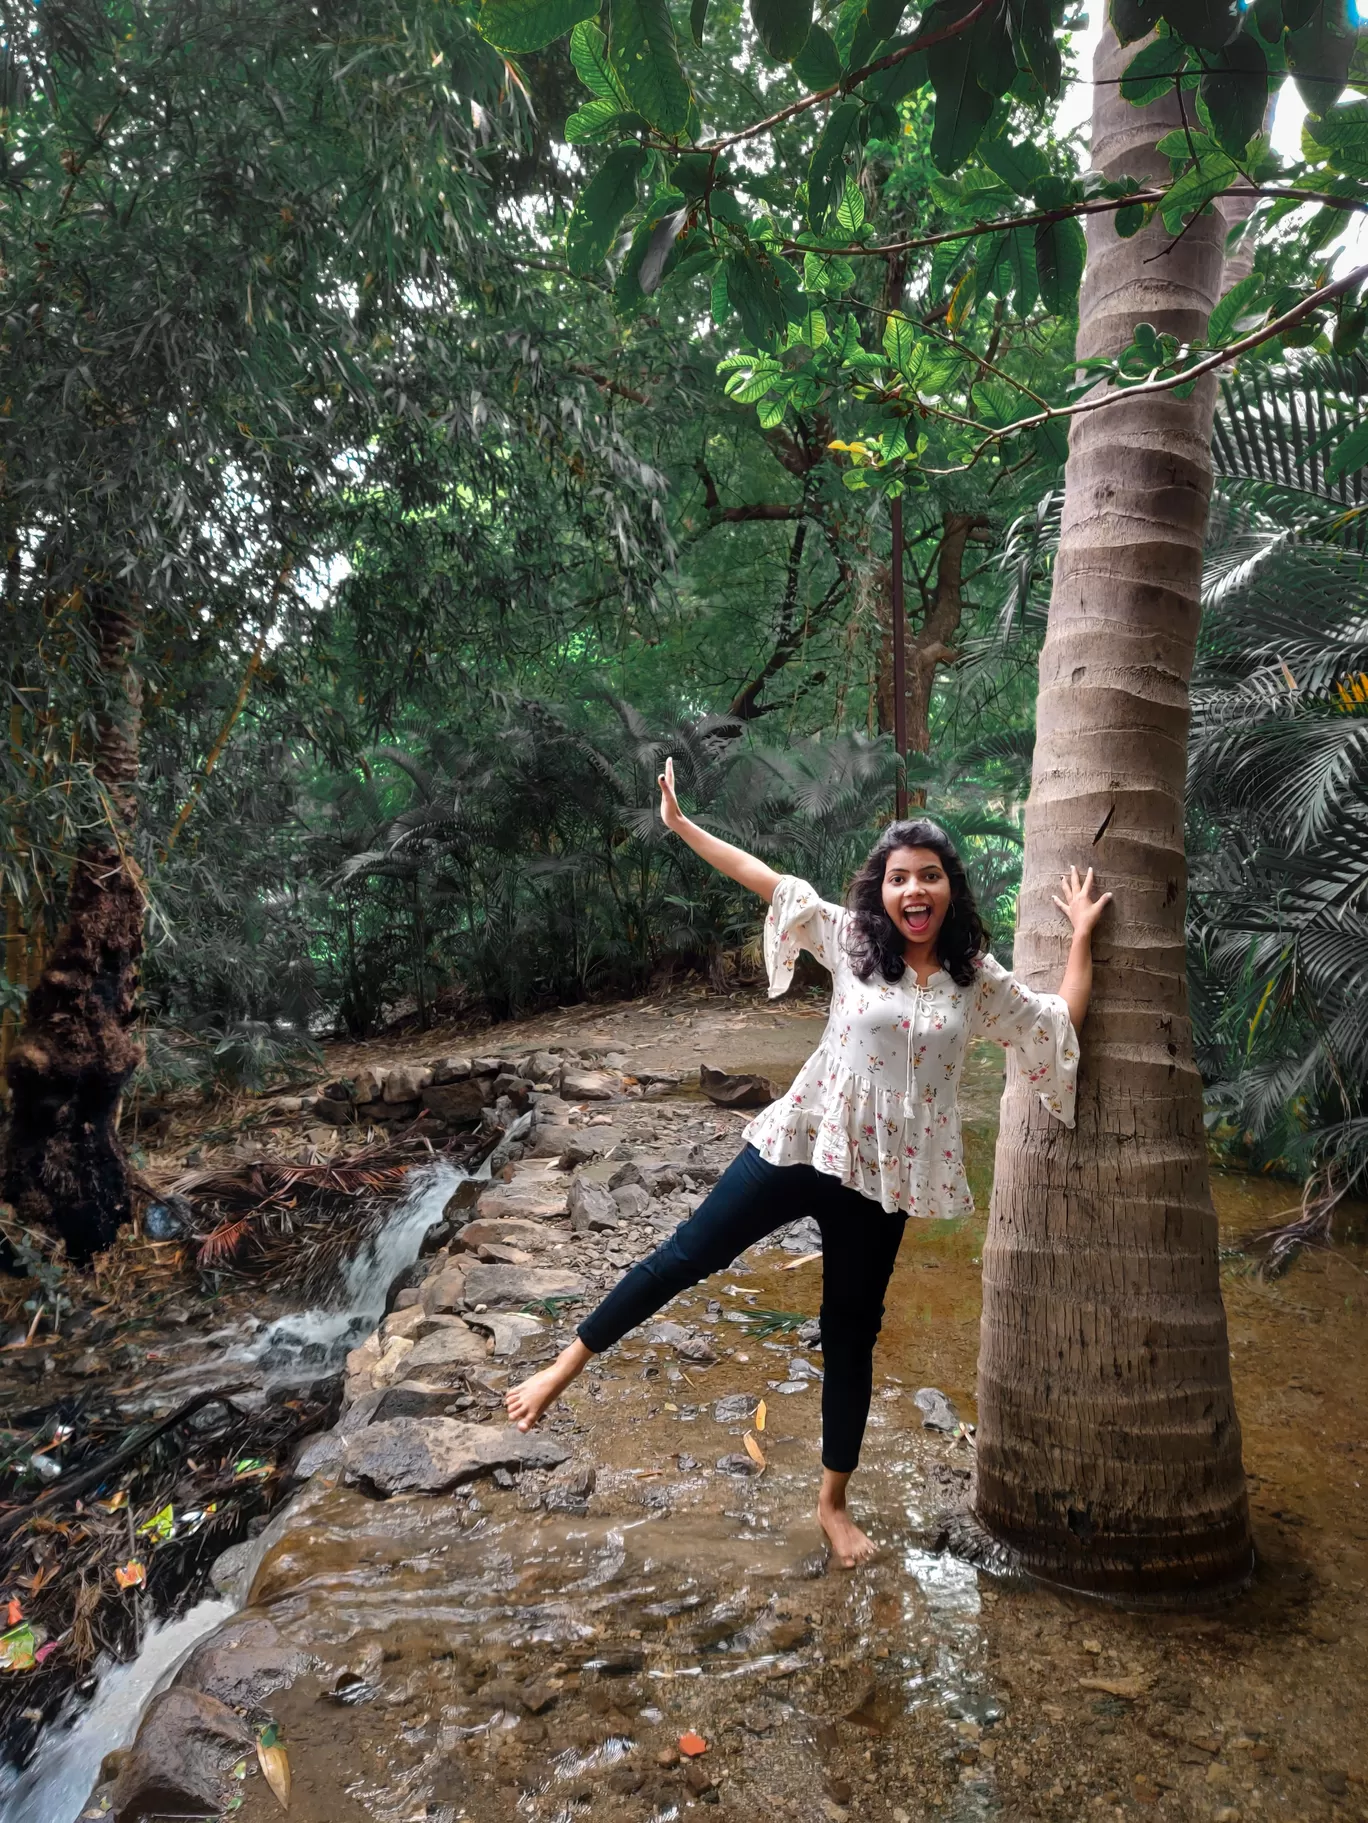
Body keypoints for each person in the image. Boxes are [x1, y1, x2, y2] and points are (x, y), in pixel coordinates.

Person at [507, 758, 1111, 1567]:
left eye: (929, 876)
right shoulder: (852, 941)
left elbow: (1054, 1024)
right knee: (688, 1254)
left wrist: (1080, 938)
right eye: (900, 878)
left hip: (884, 1183)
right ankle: (561, 1366)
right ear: (882, 890)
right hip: (803, 1144)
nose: (914, 891)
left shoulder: (975, 982)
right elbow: (764, 878)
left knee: (851, 1335)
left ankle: (832, 1504)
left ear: (950, 890)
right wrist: (683, 826)